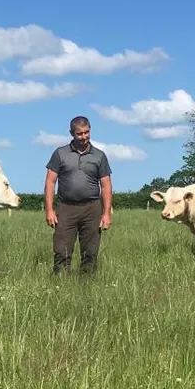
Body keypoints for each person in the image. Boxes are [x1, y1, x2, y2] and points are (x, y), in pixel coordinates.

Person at [44, 116, 112, 276]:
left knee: (90, 252)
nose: (84, 137)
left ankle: (86, 287)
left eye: (87, 132)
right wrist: (49, 210)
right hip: (66, 208)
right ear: (71, 133)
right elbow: (50, 182)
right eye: (79, 134)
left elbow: (106, 185)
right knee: (62, 251)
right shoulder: (60, 154)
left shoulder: (99, 156)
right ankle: (61, 285)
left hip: (92, 208)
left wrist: (107, 213)